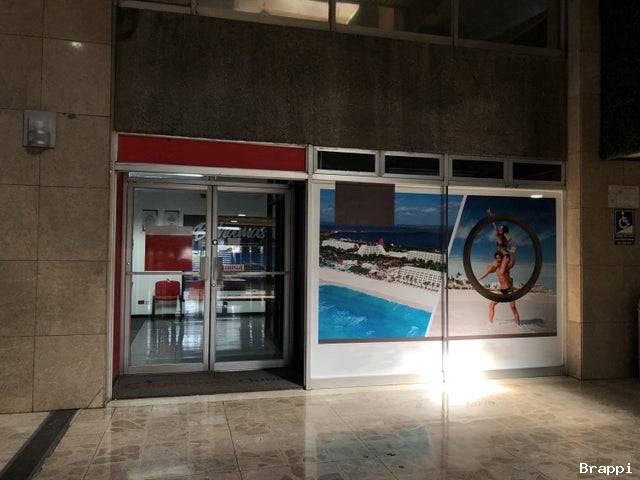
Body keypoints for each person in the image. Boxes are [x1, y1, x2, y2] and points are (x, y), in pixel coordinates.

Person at [477, 246, 520, 326]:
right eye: (497, 258)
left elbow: (512, 262)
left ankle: (518, 326)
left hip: (509, 290)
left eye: (500, 258)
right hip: (501, 290)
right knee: (491, 305)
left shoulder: (506, 267)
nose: (498, 259)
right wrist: (477, 279)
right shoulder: (495, 268)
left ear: (502, 259)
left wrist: (513, 253)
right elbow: (486, 273)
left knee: (513, 308)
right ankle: (490, 323)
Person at [487, 208, 512, 276]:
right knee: (492, 267)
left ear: (504, 230)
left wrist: (504, 233)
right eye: (500, 228)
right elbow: (494, 224)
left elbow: (509, 239)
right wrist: (490, 214)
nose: (500, 228)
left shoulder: (505, 237)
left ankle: (508, 280)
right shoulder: (498, 235)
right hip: (500, 255)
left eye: (501, 228)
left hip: (504, 255)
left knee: (503, 271)